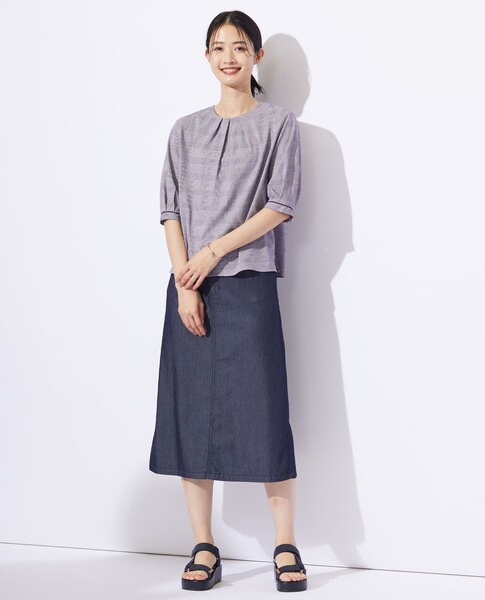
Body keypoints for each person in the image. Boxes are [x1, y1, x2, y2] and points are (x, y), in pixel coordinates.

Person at [149, 10, 307, 593]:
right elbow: (169, 208)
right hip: (189, 287)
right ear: (207, 57)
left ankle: (285, 544)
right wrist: (185, 283)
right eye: (218, 48)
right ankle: (203, 544)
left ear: (257, 56)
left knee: (265, 413)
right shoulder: (184, 129)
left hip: (247, 281)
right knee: (191, 416)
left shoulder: (279, 124)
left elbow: (280, 204)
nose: (229, 57)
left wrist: (213, 252)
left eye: (240, 47)